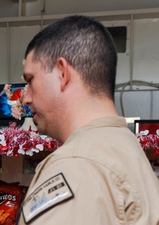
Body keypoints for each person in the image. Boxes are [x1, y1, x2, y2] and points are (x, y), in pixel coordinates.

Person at [18, 15, 159, 225]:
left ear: (62, 73)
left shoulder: (77, 166)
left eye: (31, 80)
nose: (26, 98)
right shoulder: (125, 148)